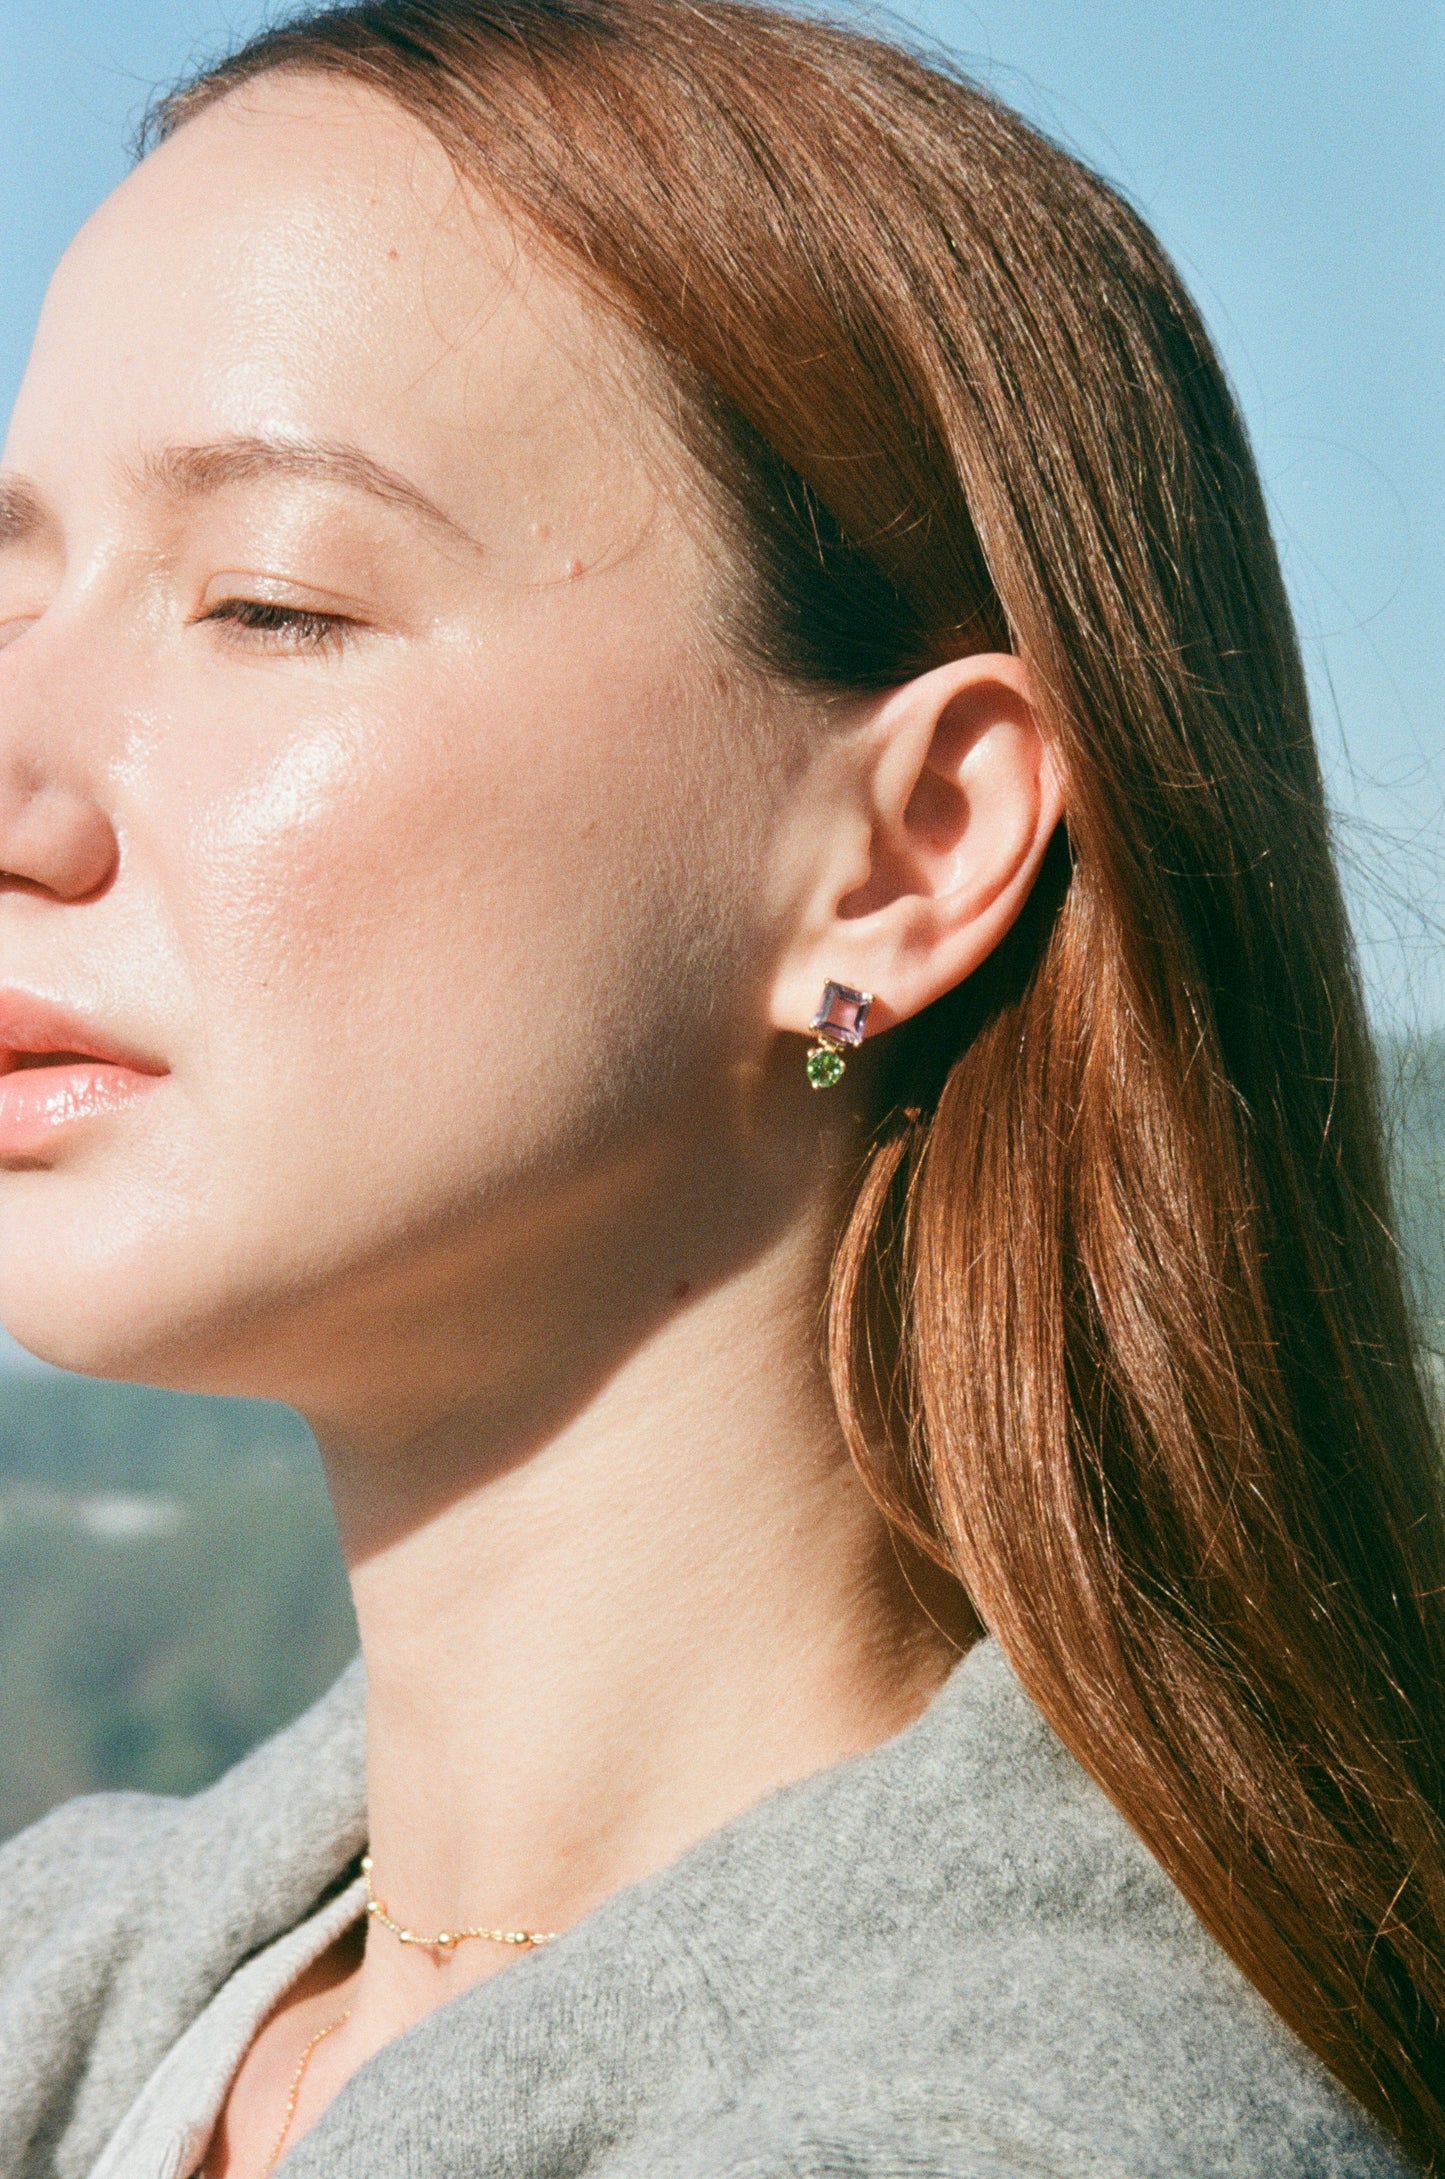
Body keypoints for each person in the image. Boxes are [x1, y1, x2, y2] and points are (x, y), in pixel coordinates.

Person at [0, 1, 1441, 2172]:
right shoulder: (108, 1987)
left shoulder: (1035, 2130)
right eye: (11, 605)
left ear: (907, 851)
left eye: (269, 605)